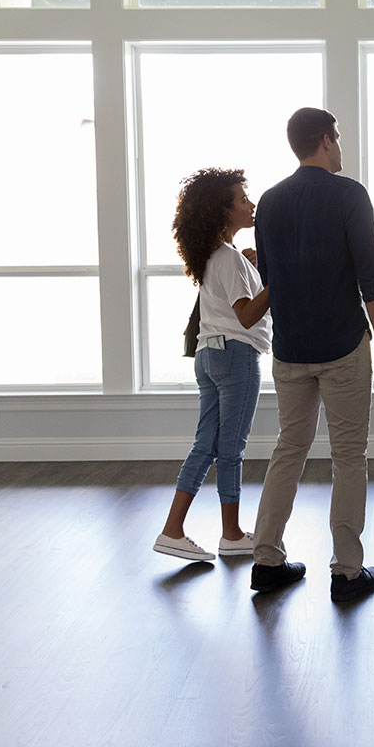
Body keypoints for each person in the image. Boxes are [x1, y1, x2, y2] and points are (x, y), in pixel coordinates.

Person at [248, 107, 374, 602]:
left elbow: (271, 278)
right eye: (339, 137)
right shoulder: (350, 195)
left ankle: (266, 561)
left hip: (289, 350)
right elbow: (373, 279)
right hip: (342, 347)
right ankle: (347, 572)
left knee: (289, 448)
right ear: (327, 140)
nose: (340, 146)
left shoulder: (269, 202)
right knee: (349, 456)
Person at [153, 167, 272, 562]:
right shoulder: (230, 259)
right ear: (223, 211)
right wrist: (279, 278)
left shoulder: (216, 257)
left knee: (205, 445)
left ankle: (173, 530)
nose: (251, 205)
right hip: (236, 356)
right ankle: (232, 535)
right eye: (242, 200)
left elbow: (234, 302)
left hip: (208, 355)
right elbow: (247, 316)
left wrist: (256, 269)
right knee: (231, 449)